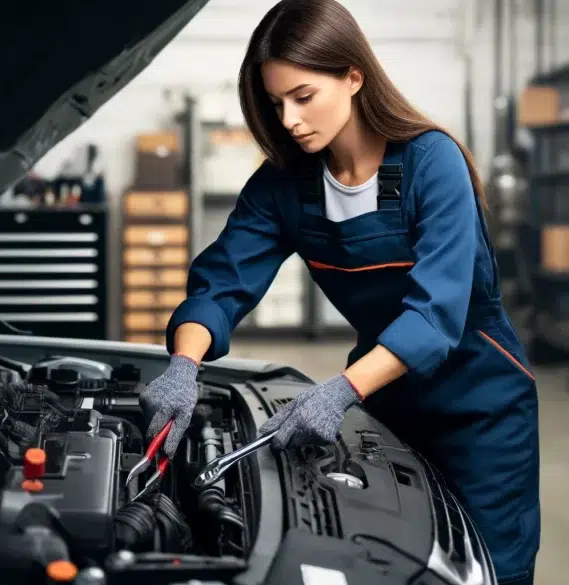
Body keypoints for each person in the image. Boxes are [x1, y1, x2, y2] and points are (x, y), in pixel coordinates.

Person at [138, 1, 540, 583]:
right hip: (385, 405)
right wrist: (182, 365)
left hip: (478, 407)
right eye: (277, 104)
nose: (290, 120)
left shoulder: (433, 163)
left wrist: (338, 392)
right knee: (393, 562)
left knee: (484, 569)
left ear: (354, 76)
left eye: (304, 96)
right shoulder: (286, 184)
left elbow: (435, 317)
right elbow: (221, 281)